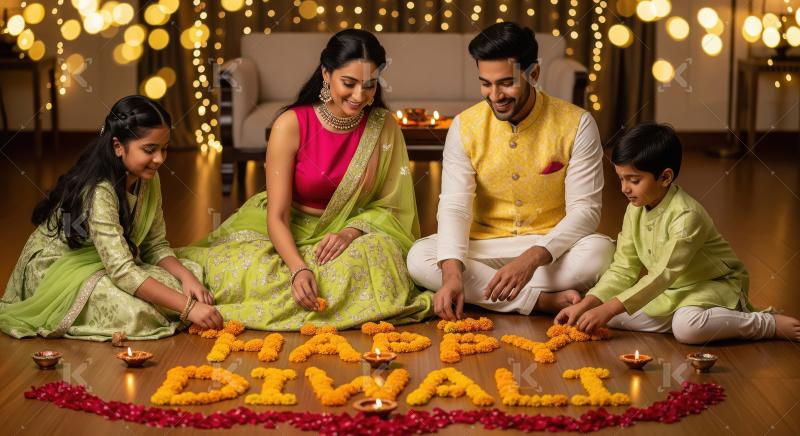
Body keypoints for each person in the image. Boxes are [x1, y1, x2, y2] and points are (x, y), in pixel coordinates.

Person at [178, 29, 432, 330]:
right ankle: (334, 306)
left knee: (379, 256)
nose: (359, 96)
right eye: (348, 84)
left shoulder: (383, 127)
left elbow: (392, 207)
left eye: (370, 86)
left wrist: (350, 233)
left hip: (350, 233)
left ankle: (314, 305)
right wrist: (298, 269)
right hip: (286, 228)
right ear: (326, 73)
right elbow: (278, 215)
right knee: (251, 270)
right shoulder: (291, 124)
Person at [407, 22, 614, 320]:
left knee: (599, 254)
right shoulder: (464, 127)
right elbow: (455, 206)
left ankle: (490, 292)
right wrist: (452, 274)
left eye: (506, 83)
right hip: (483, 244)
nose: (495, 95)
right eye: (486, 83)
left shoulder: (577, 124)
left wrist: (530, 259)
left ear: (534, 74)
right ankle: (541, 301)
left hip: (548, 247)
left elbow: (586, 211)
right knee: (419, 257)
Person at [0, 95, 222, 341]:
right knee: (135, 312)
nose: (160, 159)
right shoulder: (99, 191)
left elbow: (154, 245)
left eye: (164, 148)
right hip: (60, 268)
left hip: (110, 262)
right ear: (118, 146)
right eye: (150, 149)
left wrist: (186, 277)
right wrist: (189, 308)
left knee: (190, 273)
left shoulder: (148, 178)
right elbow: (122, 271)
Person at [555, 123, 800, 343]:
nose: (624, 188)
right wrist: (588, 305)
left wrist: (607, 308)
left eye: (633, 180)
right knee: (601, 315)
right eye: (621, 179)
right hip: (670, 292)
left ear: (665, 177)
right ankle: (692, 319)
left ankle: (766, 324)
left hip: (711, 286)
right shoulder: (635, 209)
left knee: (686, 328)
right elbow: (623, 268)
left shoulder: (687, 216)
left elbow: (662, 275)